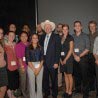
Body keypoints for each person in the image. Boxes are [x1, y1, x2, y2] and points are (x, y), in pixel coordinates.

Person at [40, 20, 61, 98]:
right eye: (46, 27)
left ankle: (54, 94)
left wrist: (56, 62)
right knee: (45, 79)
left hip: (53, 61)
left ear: (51, 28)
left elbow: (58, 50)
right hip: (43, 61)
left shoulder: (56, 37)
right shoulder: (42, 37)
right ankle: (47, 93)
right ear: (44, 29)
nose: (47, 28)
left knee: (54, 79)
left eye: (48, 27)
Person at [72, 21, 90, 98]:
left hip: (83, 58)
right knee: (76, 75)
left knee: (84, 76)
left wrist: (79, 56)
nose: (77, 27)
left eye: (79, 25)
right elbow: (71, 48)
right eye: (76, 26)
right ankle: (78, 90)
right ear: (74, 27)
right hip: (74, 58)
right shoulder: (72, 36)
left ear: (81, 27)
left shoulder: (85, 36)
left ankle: (86, 93)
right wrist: (75, 56)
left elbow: (88, 48)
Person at [26, 34, 44, 98]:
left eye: (36, 38)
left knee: (39, 83)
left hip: (40, 65)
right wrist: (34, 70)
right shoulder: (27, 47)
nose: (35, 39)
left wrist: (39, 69)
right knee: (31, 83)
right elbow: (28, 60)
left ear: (38, 39)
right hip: (31, 66)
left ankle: (39, 96)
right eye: (33, 38)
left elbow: (42, 59)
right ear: (31, 39)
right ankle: (32, 96)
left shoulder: (41, 47)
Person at [60, 24, 74, 98]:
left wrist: (65, 59)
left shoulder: (70, 37)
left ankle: (70, 91)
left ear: (68, 30)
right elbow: (59, 50)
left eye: (66, 29)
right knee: (65, 75)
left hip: (68, 59)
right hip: (62, 60)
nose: (65, 30)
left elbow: (71, 50)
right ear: (62, 30)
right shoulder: (61, 38)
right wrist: (60, 59)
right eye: (63, 29)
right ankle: (66, 90)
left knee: (69, 75)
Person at [5, 31, 19, 98]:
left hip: (15, 66)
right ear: (7, 36)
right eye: (10, 35)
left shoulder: (15, 44)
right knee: (9, 82)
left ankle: (12, 94)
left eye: (13, 35)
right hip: (8, 67)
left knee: (14, 81)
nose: (12, 37)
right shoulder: (4, 45)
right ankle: (10, 95)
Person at [15, 31, 29, 98]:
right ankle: (24, 94)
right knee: (23, 81)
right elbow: (19, 57)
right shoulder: (18, 45)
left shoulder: (29, 44)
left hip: (30, 66)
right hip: (22, 66)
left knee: (29, 81)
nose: (24, 37)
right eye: (22, 36)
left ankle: (28, 93)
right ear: (20, 37)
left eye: (25, 36)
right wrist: (22, 66)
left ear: (27, 37)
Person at [88, 21, 98, 91]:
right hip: (89, 55)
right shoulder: (87, 35)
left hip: (97, 55)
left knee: (96, 73)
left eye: (93, 26)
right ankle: (92, 87)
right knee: (90, 72)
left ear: (96, 26)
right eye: (90, 26)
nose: (92, 27)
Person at [0, 27, 8, 98]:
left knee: (4, 89)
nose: (1, 34)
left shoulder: (1, 43)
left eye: (2, 33)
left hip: (3, 69)